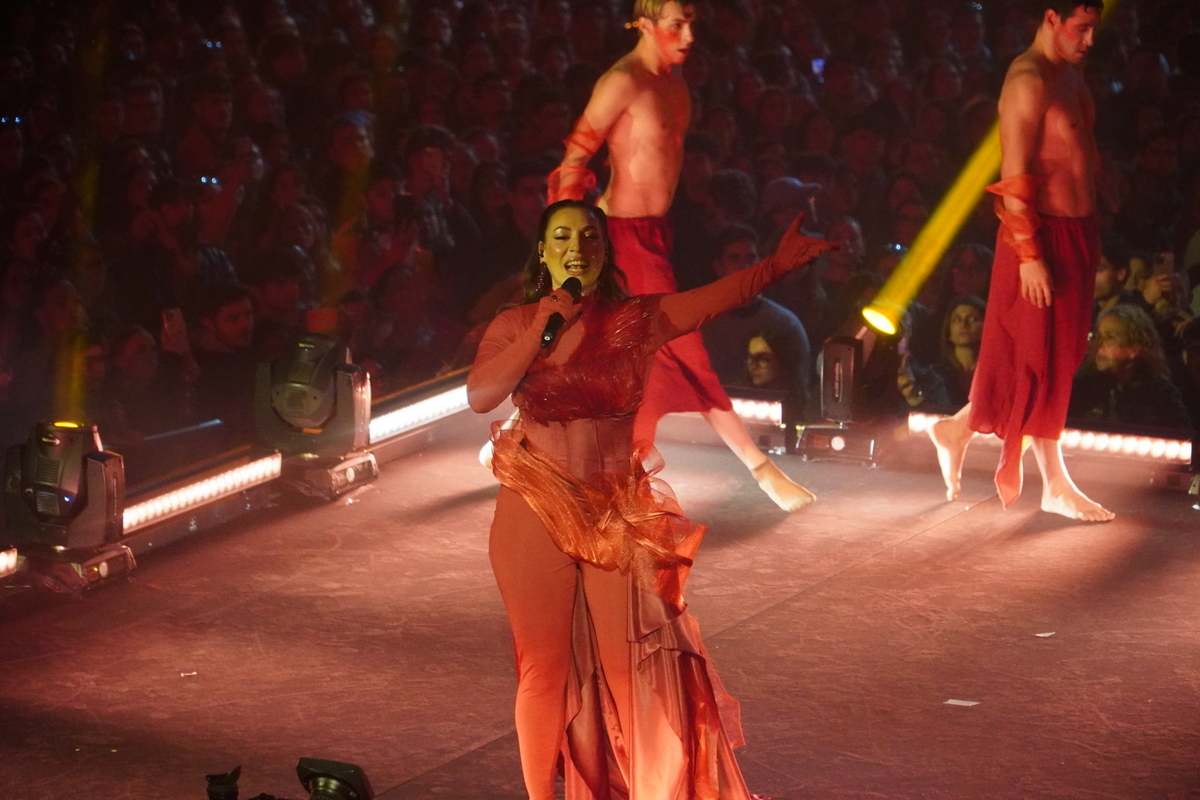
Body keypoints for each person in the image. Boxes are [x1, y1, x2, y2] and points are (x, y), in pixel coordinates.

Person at [468, 199, 830, 799]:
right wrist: (541, 327)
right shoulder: (516, 323)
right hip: (536, 501)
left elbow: (718, 296)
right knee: (544, 671)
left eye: (588, 236)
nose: (575, 247)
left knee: (634, 669)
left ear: (603, 250)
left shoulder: (638, 319)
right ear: (542, 251)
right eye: (561, 236)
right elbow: (483, 396)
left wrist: (775, 267)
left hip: (614, 509)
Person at [549, 0, 815, 512]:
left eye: (692, 22)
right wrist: (566, 243)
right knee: (685, 352)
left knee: (614, 353)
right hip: (620, 236)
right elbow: (575, 158)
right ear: (644, 25)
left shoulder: (675, 85)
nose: (689, 35)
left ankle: (522, 439)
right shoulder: (621, 80)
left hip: (655, 235)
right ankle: (761, 469)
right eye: (677, 25)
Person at [929, 1, 1115, 522]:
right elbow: (1014, 176)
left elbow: (1081, 153)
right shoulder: (1028, 80)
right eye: (1082, 29)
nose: (1090, 41)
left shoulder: (1072, 77)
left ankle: (957, 428)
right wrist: (1029, 255)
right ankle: (1054, 483)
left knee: (1056, 358)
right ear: (1051, 19)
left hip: (1078, 234)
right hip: (1038, 238)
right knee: (1038, 360)